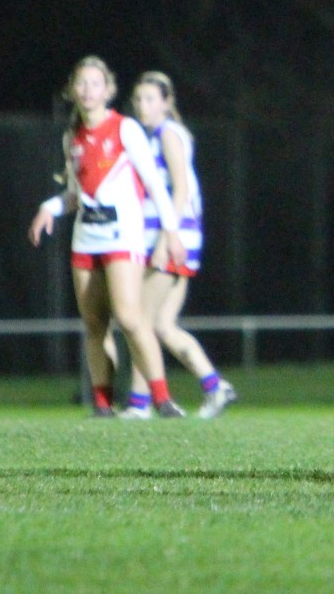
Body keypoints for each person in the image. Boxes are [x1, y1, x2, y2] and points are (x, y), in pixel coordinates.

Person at [30, 57, 187, 418]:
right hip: (86, 239)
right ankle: (102, 404)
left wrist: (171, 231)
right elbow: (75, 192)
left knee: (130, 318)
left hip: (122, 236)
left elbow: (153, 182)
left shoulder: (125, 128)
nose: (87, 90)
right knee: (94, 324)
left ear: (108, 90)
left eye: (95, 83)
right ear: (72, 89)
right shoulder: (73, 137)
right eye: (81, 83)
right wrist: (49, 208)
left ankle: (162, 398)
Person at [129, 71, 236, 419]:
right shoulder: (159, 134)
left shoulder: (168, 134)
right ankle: (215, 386)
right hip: (182, 236)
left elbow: (181, 190)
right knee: (162, 325)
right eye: (138, 99)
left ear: (166, 102)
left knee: (138, 322)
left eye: (150, 99)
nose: (142, 106)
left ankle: (139, 404)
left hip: (173, 236)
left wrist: (165, 236)